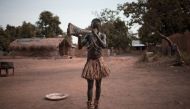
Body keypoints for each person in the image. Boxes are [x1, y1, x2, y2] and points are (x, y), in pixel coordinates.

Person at [78, 18, 110, 109]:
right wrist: (79, 38)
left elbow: (104, 45)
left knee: (98, 85)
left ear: (99, 27)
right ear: (91, 26)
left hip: (99, 62)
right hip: (90, 63)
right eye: (93, 25)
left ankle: (96, 105)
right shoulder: (88, 36)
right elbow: (80, 47)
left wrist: (96, 35)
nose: (94, 27)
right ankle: (89, 105)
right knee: (90, 86)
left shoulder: (103, 35)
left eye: (96, 25)